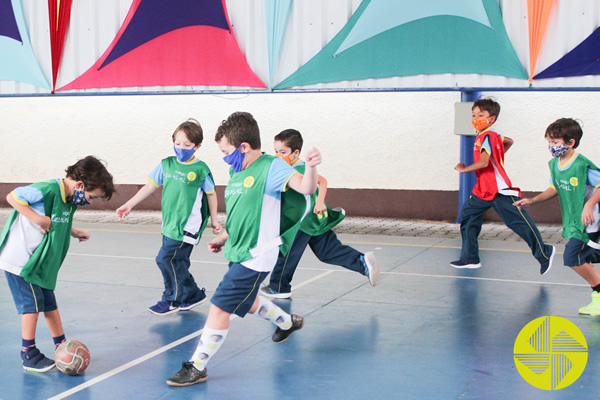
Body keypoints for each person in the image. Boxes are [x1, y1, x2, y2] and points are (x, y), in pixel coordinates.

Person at [166, 111, 321, 386]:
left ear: (244, 147)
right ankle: (286, 322)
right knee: (247, 302)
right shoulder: (237, 170)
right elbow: (242, 213)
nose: (224, 157)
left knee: (219, 306)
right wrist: (225, 236)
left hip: (258, 254)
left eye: (226, 151)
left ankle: (198, 366)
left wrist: (310, 167)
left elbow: (305, 188)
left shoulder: (272, 167)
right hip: (238, 250)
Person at [0, 156, 115, 372]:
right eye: (91, 196)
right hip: (21, 261)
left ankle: (61, 344)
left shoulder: (70, 199)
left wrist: (73, 231)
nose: (89, 200)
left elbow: (57, 219)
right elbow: (12, 197)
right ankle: (28, 353)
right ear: (80, 185)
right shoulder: (47, 190)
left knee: (50, 304)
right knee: (32, 306)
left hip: (40, 262)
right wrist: (37, 219)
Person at [116, 119, 221, 315]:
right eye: (177, 143)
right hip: (169, 225)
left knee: (165, 259)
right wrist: (129, 204)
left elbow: (211, 194)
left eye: (187, 145)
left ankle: (171, 299)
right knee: (178, 262)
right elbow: (149, 186)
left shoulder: (200, 169)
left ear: (197, 146)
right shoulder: (167, 164)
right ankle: (193, 294)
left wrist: (214, 220)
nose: (181, 148)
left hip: (187, 226)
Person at [259, 128, 380, 299]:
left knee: (287, 252)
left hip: (301, 222)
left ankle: (279, 287)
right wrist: (320, 202)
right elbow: (321, 181)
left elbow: (322, 181)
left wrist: (320, 201)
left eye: (283, 152)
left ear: (296, 153)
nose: (279, 155)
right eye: (276, 151)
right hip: (315, 220)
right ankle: (362, 262)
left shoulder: (299, 169)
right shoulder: (294, 167)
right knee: (328, 251)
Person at [453, 97, 555, 274]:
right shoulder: (489, 136)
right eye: (473, 114)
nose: (476, 118)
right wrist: (497, 155)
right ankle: (470, 258)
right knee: (468, 218)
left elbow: (484, 163)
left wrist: (464, 169)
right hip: (482, 190)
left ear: (491, 119)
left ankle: (545, 252)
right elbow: (509, 141)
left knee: (517, 222)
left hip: (498, 189)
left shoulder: (489, 136)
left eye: (481, 114)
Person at [514, 118, 600, 316]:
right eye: (549, 142)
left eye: (555, 142)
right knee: (583, 256)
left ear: (570, 143)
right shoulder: (554, 164)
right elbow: (554, 187)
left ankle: (598, 297)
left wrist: (589, 204)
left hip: (591, 221)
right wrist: (532, 200)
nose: (551, 147)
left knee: (573, 257)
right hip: (575, 221)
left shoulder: (582, 165)